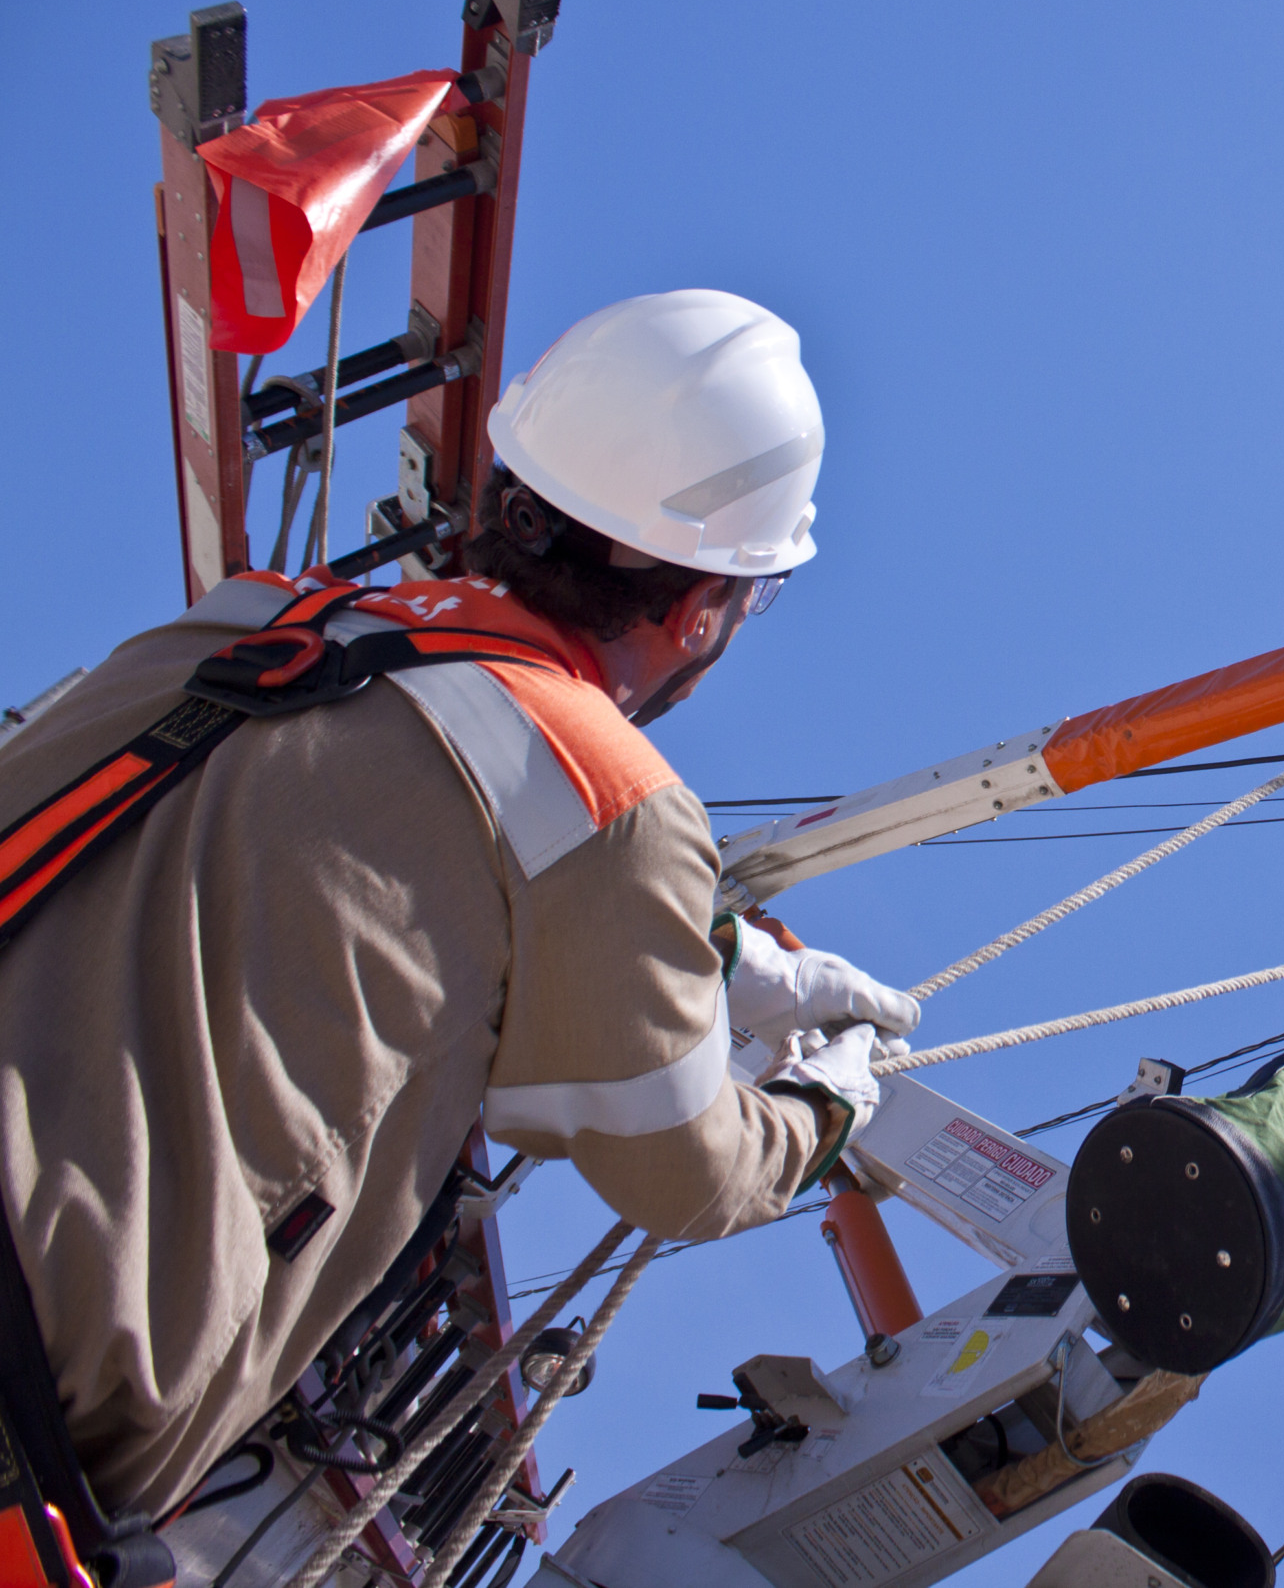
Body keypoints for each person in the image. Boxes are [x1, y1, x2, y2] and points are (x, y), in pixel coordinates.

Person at [0, 290, 915, 1553]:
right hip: (37, 1371)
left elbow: (319, 853)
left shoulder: (249, 622)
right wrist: (823, 1107)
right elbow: (680, 1168)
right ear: (704, 609)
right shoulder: (604, 791)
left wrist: (720, 959)